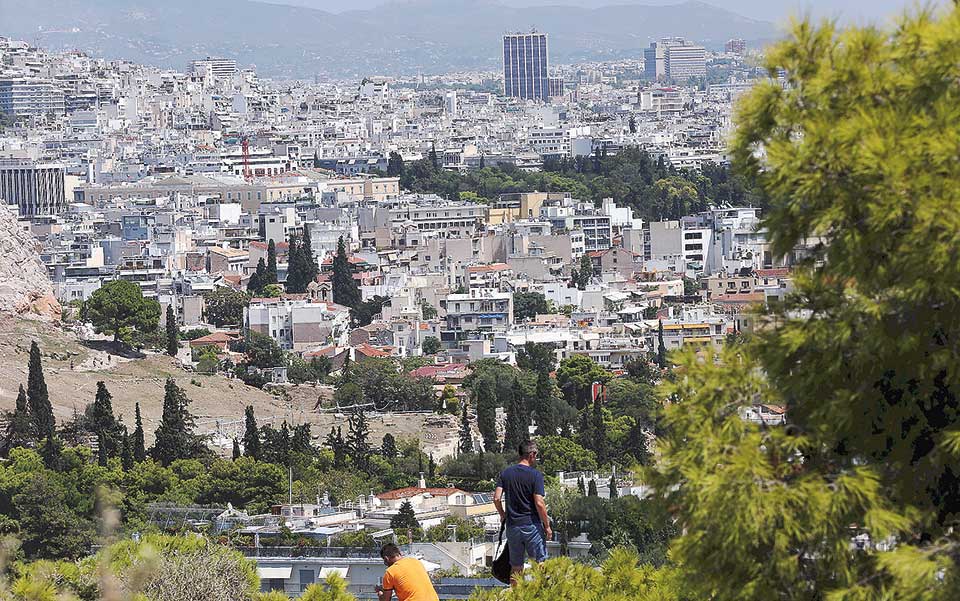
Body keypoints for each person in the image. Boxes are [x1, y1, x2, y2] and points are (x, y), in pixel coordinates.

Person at [493, 440, 552, 586]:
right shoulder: (535, 475)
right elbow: (539, 502)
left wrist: (502, 514)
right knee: (539, 562)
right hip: (532, 525)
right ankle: (541, 592)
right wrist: (547, 526)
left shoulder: (506, 473)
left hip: (513, 527)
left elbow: (496, 498)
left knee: (516, 566)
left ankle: (515, 595)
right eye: (536, 455)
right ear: (531, 454)